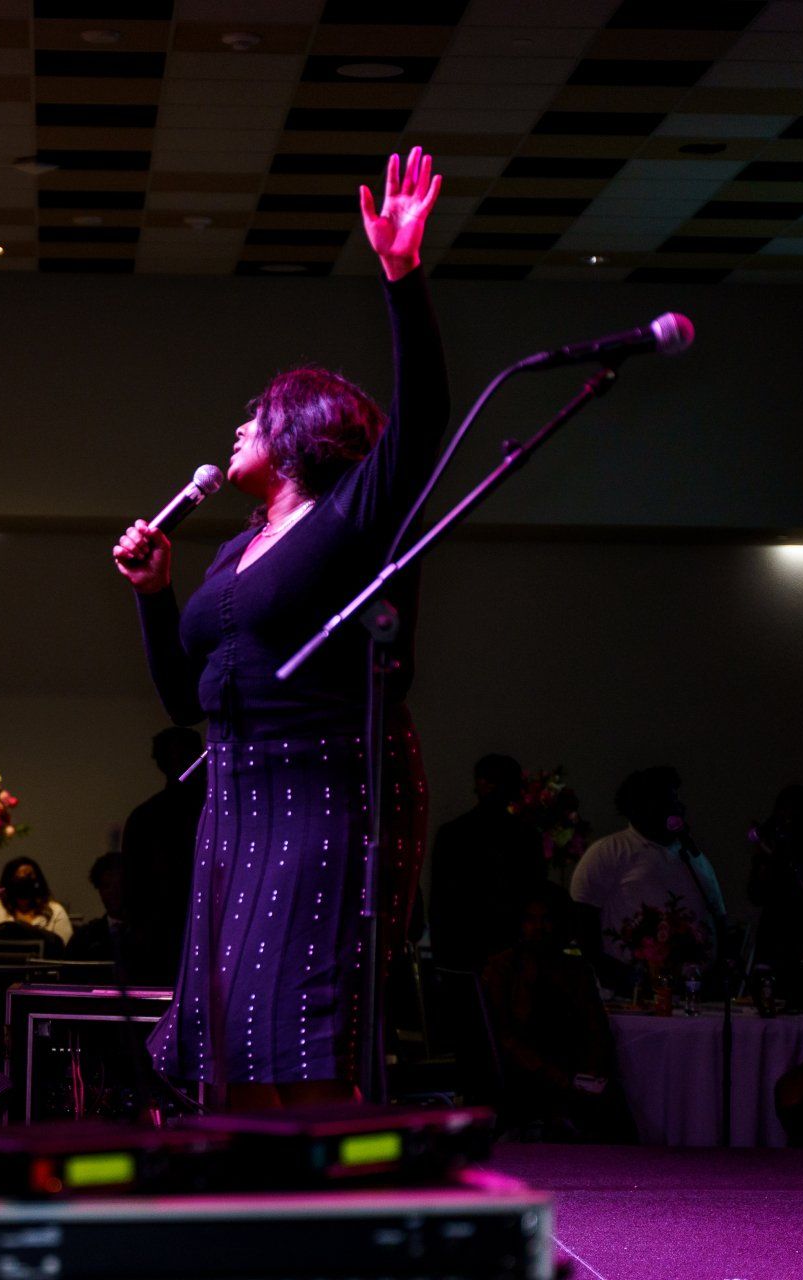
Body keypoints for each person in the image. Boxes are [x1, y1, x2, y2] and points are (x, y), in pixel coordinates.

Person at [113, 147, 446, 1108]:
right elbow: (185, 703)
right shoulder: (232, 553)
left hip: (323, 799)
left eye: (254, 419)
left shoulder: (347, 522)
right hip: (236, 809)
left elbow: (423, 420)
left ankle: (330, 1187)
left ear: (302, 432)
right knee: (234, 1044)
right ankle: (259, 1187)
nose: (237, 432)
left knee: (300, 1032)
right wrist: (154, 593)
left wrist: (400, 274)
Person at [479, 885, 634, 1142]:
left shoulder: (575, 970)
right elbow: (504, 1035)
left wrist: (593, 1070)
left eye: (546, 919)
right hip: (525, 1071)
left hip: (572, 1067)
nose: (538, 927)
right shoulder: (502, 969)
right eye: (530, 919)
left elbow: (595, 1027)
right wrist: (554, 1075)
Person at [570, 766, 726, 989]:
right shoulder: (608, 852)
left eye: (677, 800)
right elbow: (583, 919)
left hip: (694, 991)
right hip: (633, 991)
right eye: (669, 800)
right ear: (642, 807)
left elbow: (718, 915)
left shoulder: (693, 856)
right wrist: (611, 972)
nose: (679, 807)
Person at [428, 754, 543, 973]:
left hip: (465, 949)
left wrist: (442, 956)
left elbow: (440, 903)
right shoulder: (527, 837)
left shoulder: (453, 834)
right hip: (506, 950)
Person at [119, 727, 206, 983]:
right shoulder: (216, 810)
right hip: (177, 932)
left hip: (162, 935)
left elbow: (133, 887)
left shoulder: (145, 815)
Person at [748, 785, 803, 1008]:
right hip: (773, 939)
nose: (785, 819)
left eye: (790, 813)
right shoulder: (773, 845)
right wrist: (764, 860)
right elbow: (755, 893)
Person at [0, 856, 73, 946]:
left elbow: (65, 947)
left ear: (38, 881)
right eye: (18, 877)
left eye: (28, 876)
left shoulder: (55, 911)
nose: (23, 881)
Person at [68, 853, 129, 964]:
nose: (113, 892)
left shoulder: (150, 934)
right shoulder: (84, 938)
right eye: (106, 886)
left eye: (119, 885)